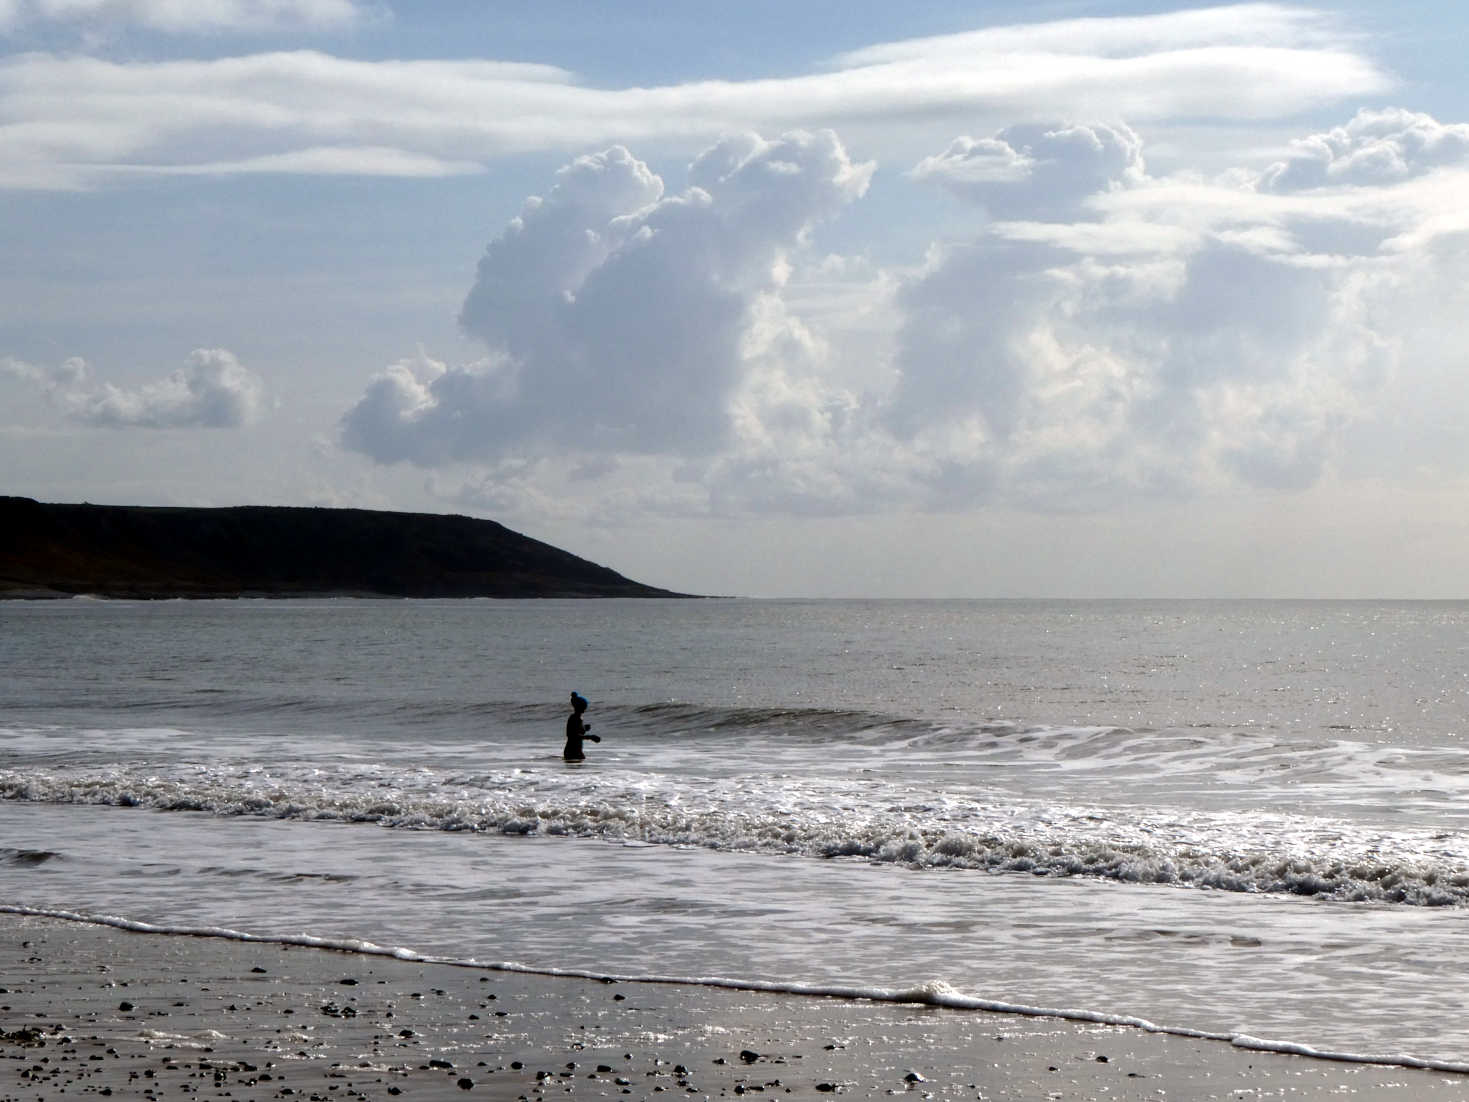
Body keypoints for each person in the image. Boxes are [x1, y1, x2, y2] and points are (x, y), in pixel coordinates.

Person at [564, 691, 600, 762]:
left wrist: (584, 728)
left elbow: (575, 732)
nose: (585, 709)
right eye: (584, 706)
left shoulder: (577, 718)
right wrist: (590, 737)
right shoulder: (575, 718)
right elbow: (573, 735)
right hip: (572, 750)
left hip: (574, 750)